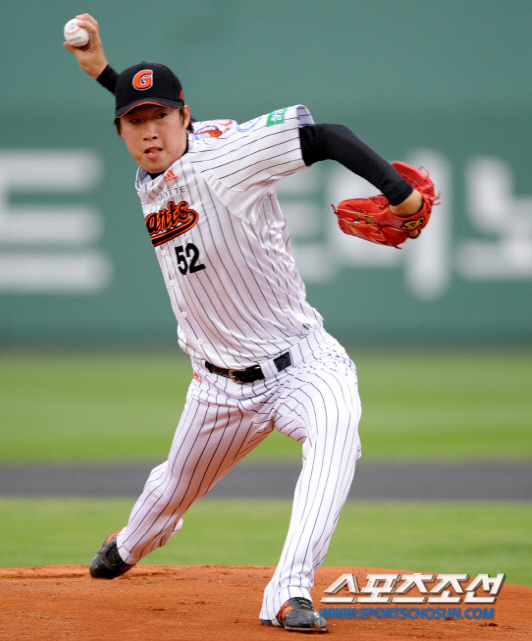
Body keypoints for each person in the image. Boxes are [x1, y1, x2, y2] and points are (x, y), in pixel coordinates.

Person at [65, 14, 423, 633]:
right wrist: (102, 72)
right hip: (217, 387)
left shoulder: (229, 155)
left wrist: (398, 192)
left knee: (337, 434)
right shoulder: (154, 164)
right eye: (135, 120)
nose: (150, 131)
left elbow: (327, 135)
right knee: (172, 489)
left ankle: (289, 591)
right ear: (120, 129)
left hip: (302, 362)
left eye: (161, 116)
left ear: (186, 117)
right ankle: (131, 542)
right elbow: (144, 107)